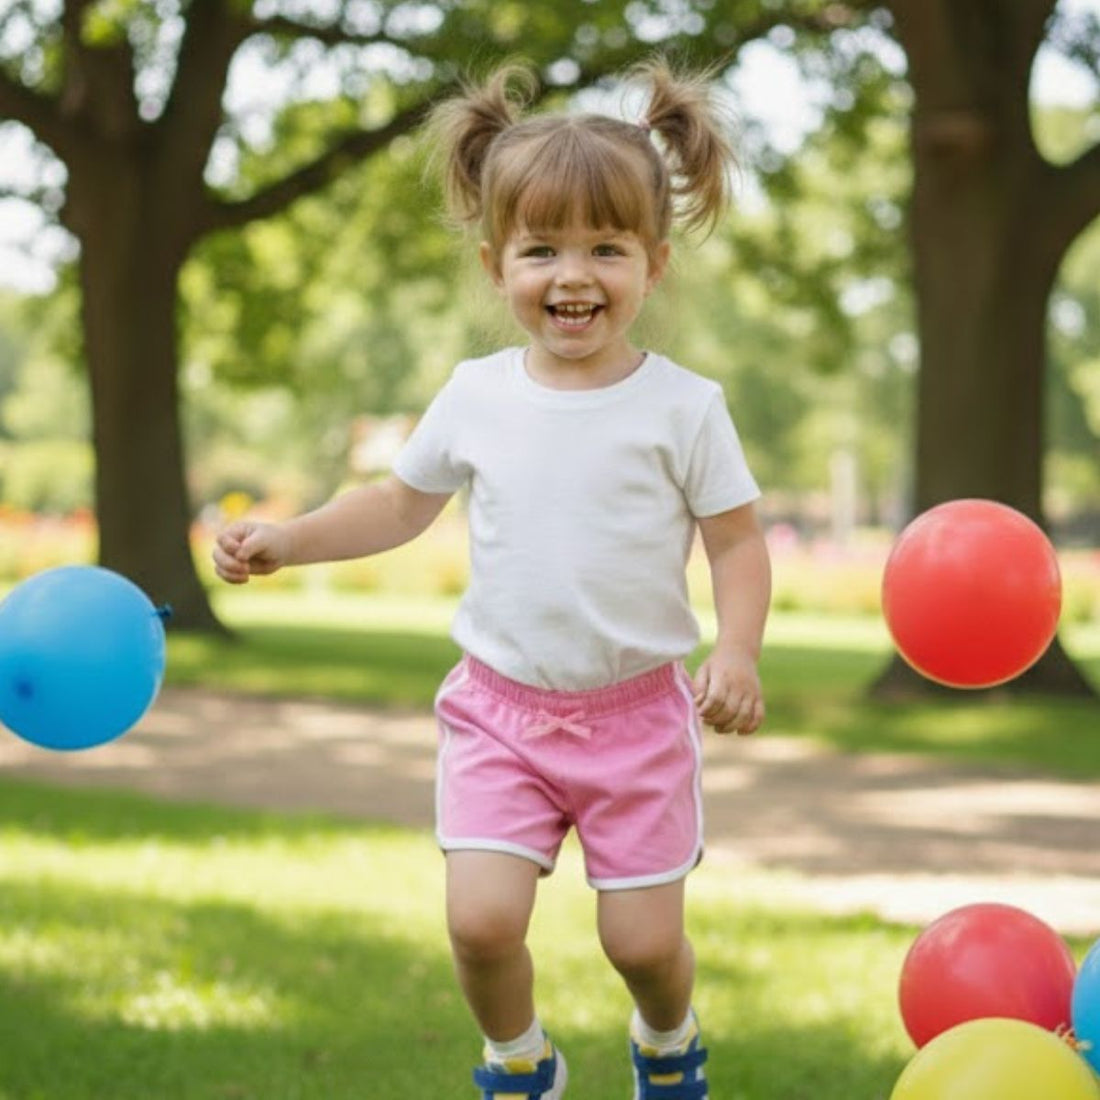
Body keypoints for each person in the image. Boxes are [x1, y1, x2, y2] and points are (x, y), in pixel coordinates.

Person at [213, 58, 770, 1100]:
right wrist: (287, 538)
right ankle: (519, 1061)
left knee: (642, 942)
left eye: (604, 248)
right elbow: (395, 505)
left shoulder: (683, 407)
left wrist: (735, 648)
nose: (573, 274)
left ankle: (665, 1037)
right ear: (493, 262)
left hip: (637, 719)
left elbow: (736, 542)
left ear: (652, 264)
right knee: (477, 922)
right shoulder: (474, 395)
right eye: (541, 249)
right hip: (499, 713)